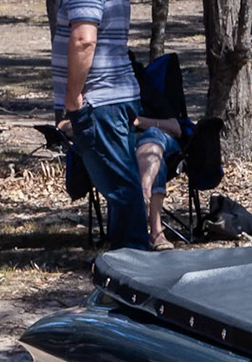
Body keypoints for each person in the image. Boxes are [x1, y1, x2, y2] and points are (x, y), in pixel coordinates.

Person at [51, 0, 146, 250]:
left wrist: (72, 96)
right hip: (112, 99)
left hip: (99, 101)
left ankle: (134, 261)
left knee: (120, 187)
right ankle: (124, 258)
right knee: (121, 184)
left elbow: (84, 40)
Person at [134, 114, 182, 250]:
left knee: (153, 136)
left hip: (165, 142)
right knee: (156, 160)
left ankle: (143, 195)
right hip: (129, 145)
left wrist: (140, 122)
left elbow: (176, 129)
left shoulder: (160, 99)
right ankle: (156, 232)